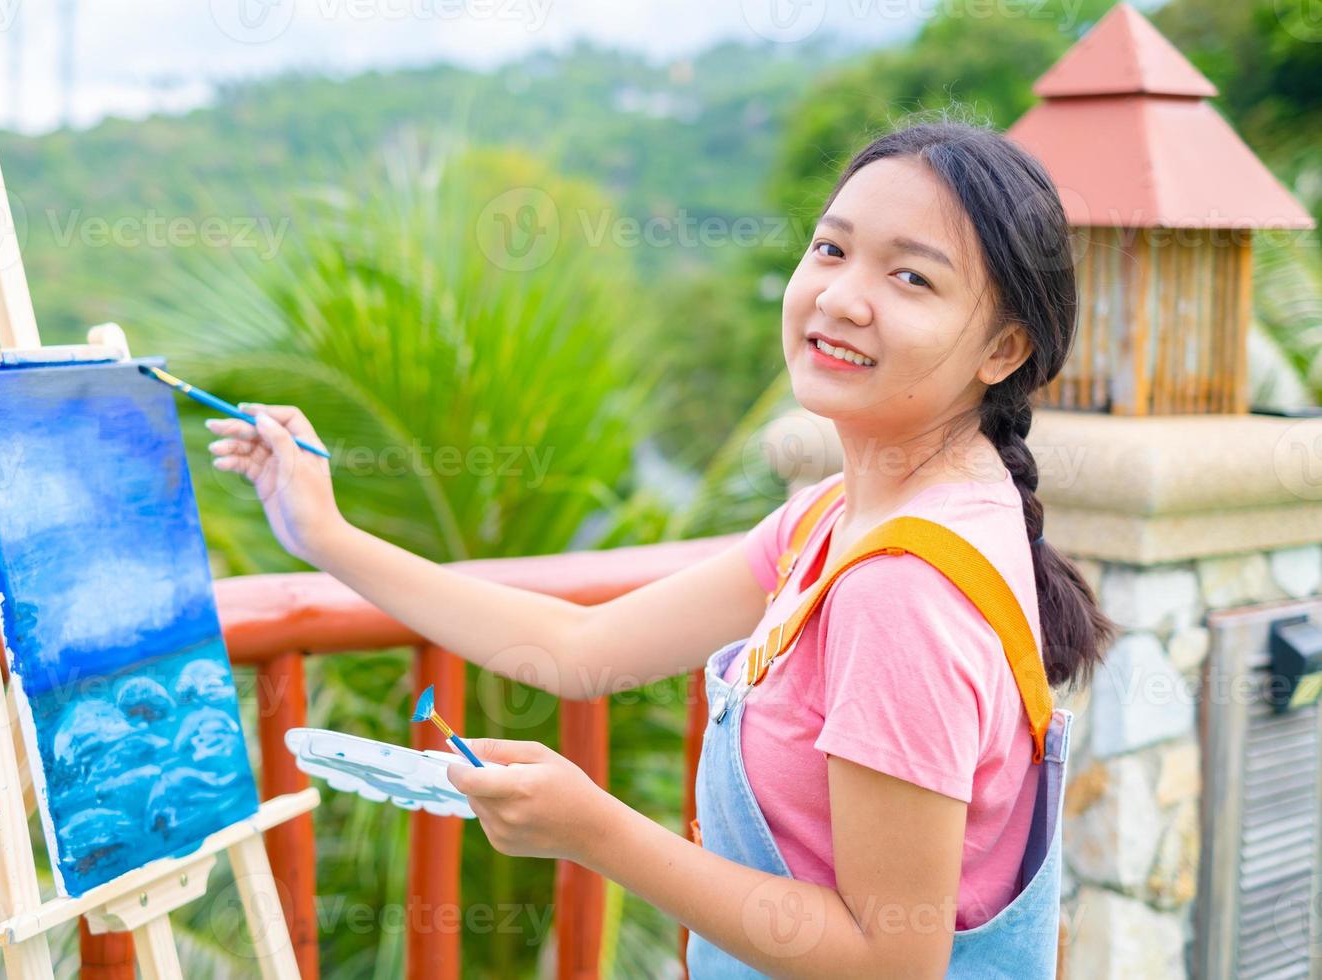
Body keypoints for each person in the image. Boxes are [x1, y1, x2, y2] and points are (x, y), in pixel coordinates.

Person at [206, 119, 1115, 979]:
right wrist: (322, 533)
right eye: (831, 249)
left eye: (911, 279)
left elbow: (889, 960)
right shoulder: (841, 517)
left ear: (1003, 348)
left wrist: (593, 831)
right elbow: (580, 650)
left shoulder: (901, 590)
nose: (840, 298)